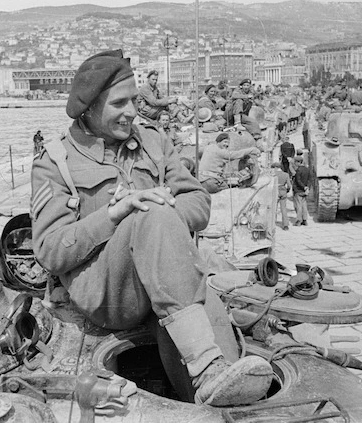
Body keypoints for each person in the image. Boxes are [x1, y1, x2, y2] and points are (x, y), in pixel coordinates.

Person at [30, 50, 272, 407]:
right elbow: (50, 250)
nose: (132, 111)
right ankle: (206, 367)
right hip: (105, 291)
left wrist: (163, 213)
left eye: (135, 100)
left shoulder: (154, 142)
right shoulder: (56, 161)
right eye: (120, 103)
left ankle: (216, 391)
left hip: (166, 278)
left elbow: (198, 202)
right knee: (153, 214)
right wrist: (114, 214)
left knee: (212, 319)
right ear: (89, 108)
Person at [292, 155, 310, 226]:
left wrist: (304, 187)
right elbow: (309, 180)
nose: (294, 164)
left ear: (298, 162)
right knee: (304, 205)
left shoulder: (298, 170)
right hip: (304, 191)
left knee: (298, 206)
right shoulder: (307, 169)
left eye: (295, 162)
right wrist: (307, 187)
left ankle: (298, 221)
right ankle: (305, 220)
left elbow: (298, 181)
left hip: (298, 190)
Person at [272, 162, 291, 230]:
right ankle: (285, 225)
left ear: (276, 168)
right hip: (283, 191)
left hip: (275, 191)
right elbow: (289, 185)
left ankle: (272, 223)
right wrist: (287, 190)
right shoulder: (286, 174)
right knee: (283, 208)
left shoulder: (273, 174)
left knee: (274, 208)